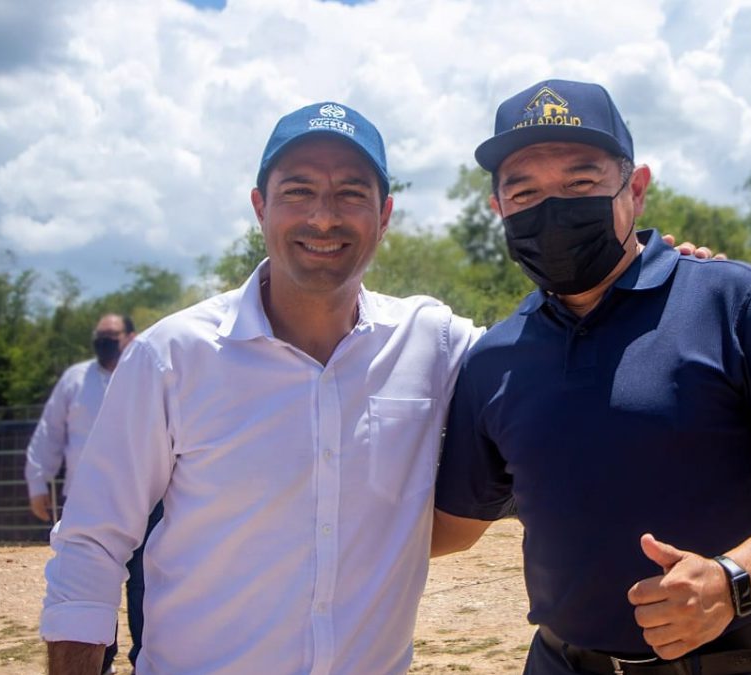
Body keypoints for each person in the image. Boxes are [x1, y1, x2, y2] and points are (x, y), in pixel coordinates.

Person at [432, 79, 751, 675]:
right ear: (498, 208)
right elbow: (452, 528)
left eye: (581, 182)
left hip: (740, 662)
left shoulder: (735, 303)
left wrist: (734, 581)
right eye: (525, 192)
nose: (554, 209)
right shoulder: (492, 358)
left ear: (636, 188)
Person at [39, 101, 485, 675]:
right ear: (259, 207)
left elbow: (547, 370)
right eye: (297, 191)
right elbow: (92, 543)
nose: (323, 218)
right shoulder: (172, 357)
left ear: (386, 215)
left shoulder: (435, 343)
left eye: (351, 193)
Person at [25, 313, 140, 675]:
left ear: (130, 336)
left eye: (111, 335)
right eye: (100, 336)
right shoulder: (76, 380)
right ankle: (100, 663)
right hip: (86, 504)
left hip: (148, 501)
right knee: (87, 589)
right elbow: (50, 431)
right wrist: (37, 482)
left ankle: (147, 660)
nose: (104, 341)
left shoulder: (149, 374)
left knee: (146, 586)